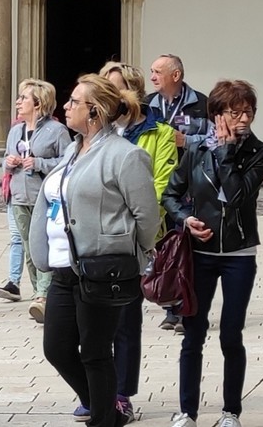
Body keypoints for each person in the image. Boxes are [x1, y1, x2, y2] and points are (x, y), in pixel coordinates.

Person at [29, 74, 159, 427]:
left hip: (102, 268)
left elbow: (147, 216)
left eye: (74, 101)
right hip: (63, 268)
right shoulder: (72, 150)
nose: (66, 106)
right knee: (56, 348)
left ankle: (103, 417)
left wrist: (129, 252)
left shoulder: (126, 156)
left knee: (95, 352)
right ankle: (104, 407)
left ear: (95, 111)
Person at [162, 80, 263, 427]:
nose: (244, 119)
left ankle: (230, 411)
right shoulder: (197, 149)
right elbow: (170, 194)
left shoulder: (260, 153)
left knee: (230, 335)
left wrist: (226, 151)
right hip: (201, 252)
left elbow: (237, 196)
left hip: (239, 252)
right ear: (217, 115)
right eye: (235, 112)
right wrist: (186, 218)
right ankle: (187, 411)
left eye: (248, 112)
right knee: (193, 333)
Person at [99, 61, 179, 423]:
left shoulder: (160, 133)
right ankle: (95, 390)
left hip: (133, 239)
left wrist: (133, 224)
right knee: (94, 323)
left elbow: (160, 185)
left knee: (126, 321)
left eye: (114, 89)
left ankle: (121, 394)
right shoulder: (95, 133)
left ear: (131, 93)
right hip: (97, 238)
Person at [0, 79, 70, 323]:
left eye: (24, 98)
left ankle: (43, 296)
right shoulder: (15, 130)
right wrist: (8, 163)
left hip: (44, 197)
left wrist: (39, 163)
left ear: (38, 103)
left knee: (44, 246)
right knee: (29, 249)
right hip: (19, 196)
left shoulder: (57, 130)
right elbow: (5, 158)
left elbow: (67, 161)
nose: (18, 102)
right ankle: (39, 294)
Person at [147, 54, 204, 331]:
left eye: (158, 71)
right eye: (152, 71)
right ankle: (170, 306)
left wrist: (187, 140)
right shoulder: (148, 105)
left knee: (186, 249)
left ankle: (186, 309)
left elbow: (216, 138)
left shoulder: (201, 104)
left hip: (188, 188)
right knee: (164, 248)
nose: (152, 77)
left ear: (176, 75)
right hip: (159, 185)